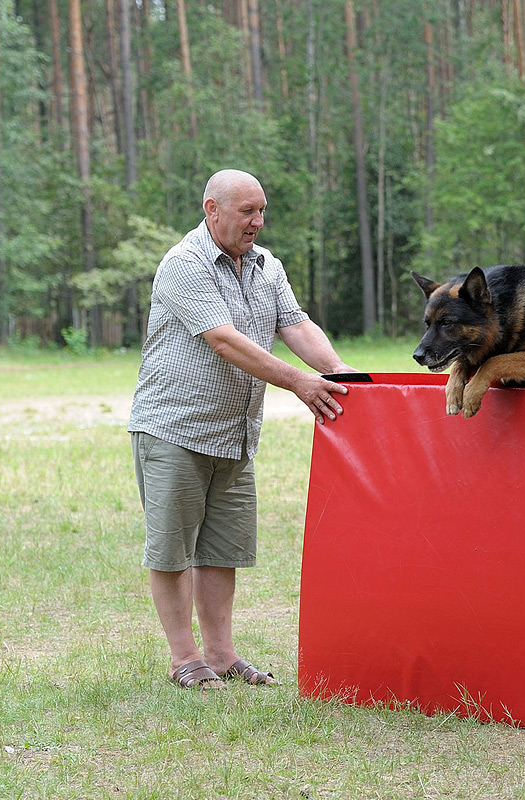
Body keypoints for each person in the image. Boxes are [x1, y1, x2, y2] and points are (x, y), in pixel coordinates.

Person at [129, 169, 357, 688]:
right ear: (212, 209)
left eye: (262, 211)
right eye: (246, 212)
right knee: (172, 551)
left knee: (222, 550)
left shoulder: (265, 265)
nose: (257, 222)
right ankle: (185, 659)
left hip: (234, 434)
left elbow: (295, 323)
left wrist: (345, 376)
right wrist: (299, 383)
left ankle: (223, 655)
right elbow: (224, 341)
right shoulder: (183, 264)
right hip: (174, 429)